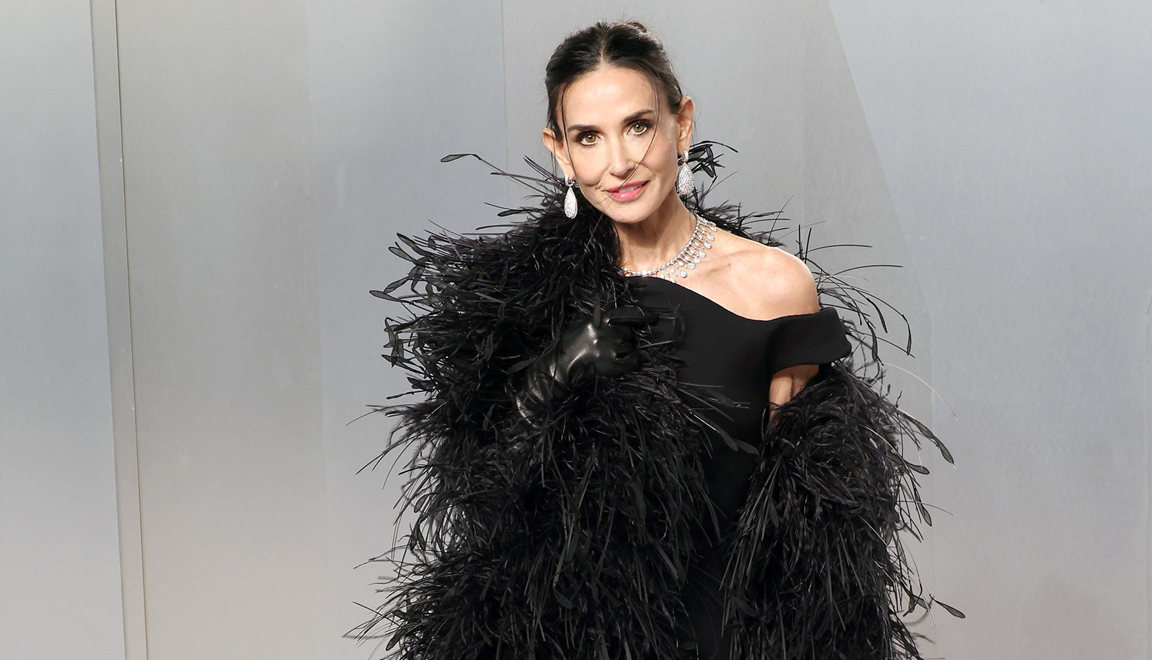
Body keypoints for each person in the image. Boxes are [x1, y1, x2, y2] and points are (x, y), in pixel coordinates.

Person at [358, 19, 958, 660]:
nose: (619, 162)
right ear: (560, 152)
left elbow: (806, 531)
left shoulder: (773, 287)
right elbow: (487, 516)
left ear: (683, 124)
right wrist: (551, 379)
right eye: (589, 137)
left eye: (639, 126)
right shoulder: (526, 302)